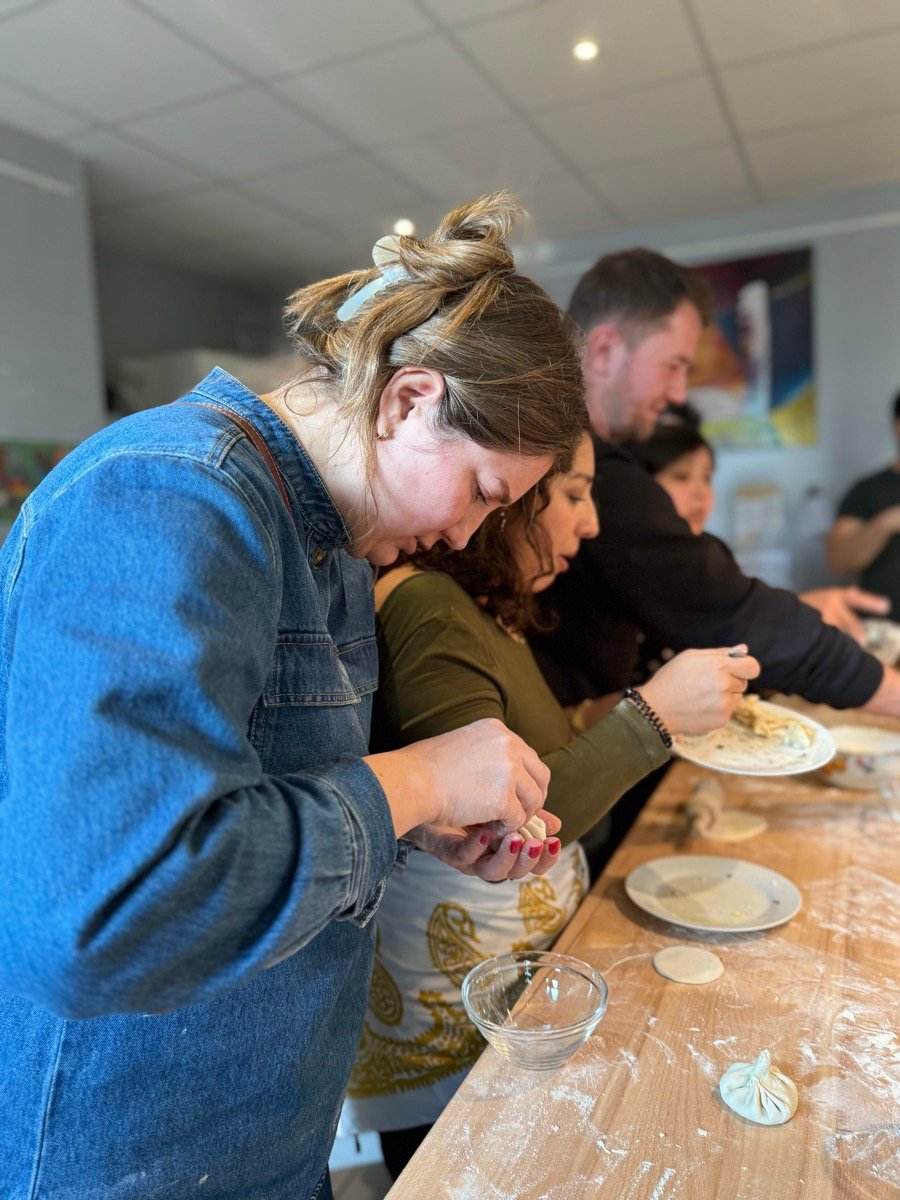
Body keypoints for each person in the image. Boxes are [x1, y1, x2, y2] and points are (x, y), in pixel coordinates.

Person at [0, 195, 589, 1200]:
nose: (465, 536)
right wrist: (412, 779)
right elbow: (104, 914)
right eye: (486, 492)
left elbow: (260, 801)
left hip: (268, 1131)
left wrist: (425, 823)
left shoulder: (331, 547)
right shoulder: (168, 496)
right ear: (409, 401)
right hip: (135, 1153)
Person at [342, 430, 760, 1179]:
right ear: (510, 499)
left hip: (508, 967)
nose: (591, 522)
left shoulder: (479, 606)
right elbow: (499, 818)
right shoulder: (430, 605)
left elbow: (521, 749)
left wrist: (600, 714)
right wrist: (652, 717)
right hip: (452, 1002)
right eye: (573, 495)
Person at [530, 247, 900, 721]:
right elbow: (723, 611)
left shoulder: (582, 458)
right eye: (674, 365)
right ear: (604, 350)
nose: (680, 392)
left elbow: (698, 597)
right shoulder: (603, 475)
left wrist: (796, 611)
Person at [828, 390, 900, 618]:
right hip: (885, 630)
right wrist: (885, 523)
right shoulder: (867, 490)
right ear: (897, 427)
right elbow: (839, 560)